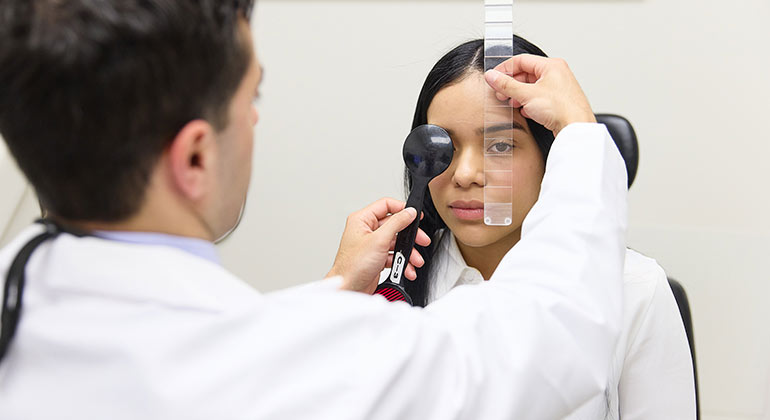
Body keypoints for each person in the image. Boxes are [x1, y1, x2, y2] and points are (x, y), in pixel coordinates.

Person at [0, 1, 627, 418]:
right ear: (194, 156)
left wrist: (332, 293)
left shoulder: (24, 298)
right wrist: (578, 132)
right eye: (252, 97)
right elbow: (551, 334)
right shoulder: (289, 360)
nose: (254, 120)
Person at [398, 36, 696, 419]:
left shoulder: (635, 289)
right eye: (443, 147)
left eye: (501, 146)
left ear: (551, 155)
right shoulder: (391, 283)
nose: (466, 174)